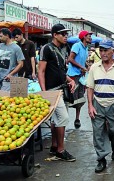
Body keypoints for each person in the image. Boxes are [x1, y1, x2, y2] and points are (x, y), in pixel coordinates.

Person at [87, 40, 114, 173]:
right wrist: (90, 105)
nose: (103, 53)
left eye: (106, 50)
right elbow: (90, 88)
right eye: (101, 50)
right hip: (97, 103)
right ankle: (101, 159)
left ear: (113, 51)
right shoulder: (94, 67)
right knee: (98, 133)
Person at [38, 23, 76, 162]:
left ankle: (54, 146)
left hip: (62, 88)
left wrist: (69, 79)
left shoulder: (63, 48)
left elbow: (60, 69)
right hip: (52, 91)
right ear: (55, 35)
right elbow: (41, 71)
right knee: (64, 118)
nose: (65, 36)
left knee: (57, 119)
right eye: (62, 34)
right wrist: (44, 92)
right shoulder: (46, 48)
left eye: (66, 34)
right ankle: (61, 150)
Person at [67, 30, 92, 128]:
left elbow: (82, 61)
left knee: (81, 98)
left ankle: (77, 118)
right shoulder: (77, 46)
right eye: (88, 36)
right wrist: (80, 67)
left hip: (81, 76)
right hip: (73, 75)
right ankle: (65, 118)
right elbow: (70, 59)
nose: (90, 38)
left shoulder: (86, 48)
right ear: (83, 37)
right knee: (70, 97)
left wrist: (85, 66)